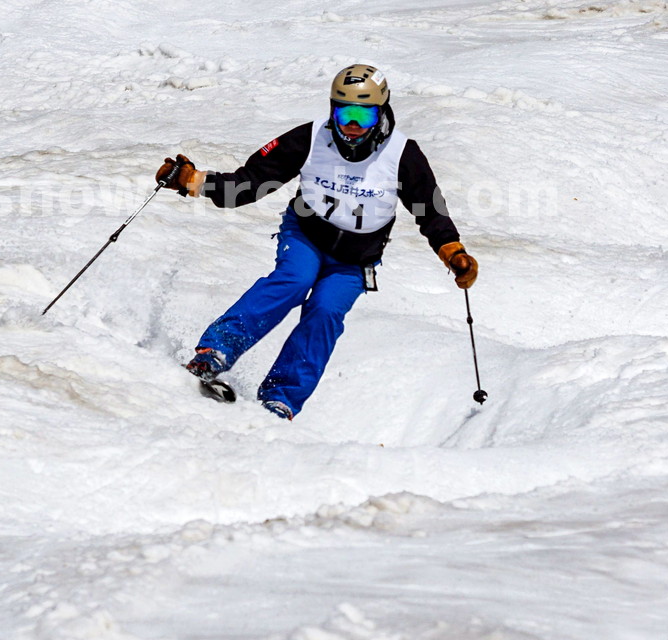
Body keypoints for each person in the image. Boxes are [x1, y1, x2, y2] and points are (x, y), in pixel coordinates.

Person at [155, 64, 477, 420]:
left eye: (363, 114)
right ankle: (216, 352)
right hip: (306, 235)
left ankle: (282, 398)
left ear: (381, 112)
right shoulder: (310, 139)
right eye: (344, 112)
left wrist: (452, 250)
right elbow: (251, 182)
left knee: (326, 310)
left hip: (356, 260)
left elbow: (429, 209)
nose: (352, 124)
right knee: (295, 280)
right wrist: (194, 181)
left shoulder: (402, 155)